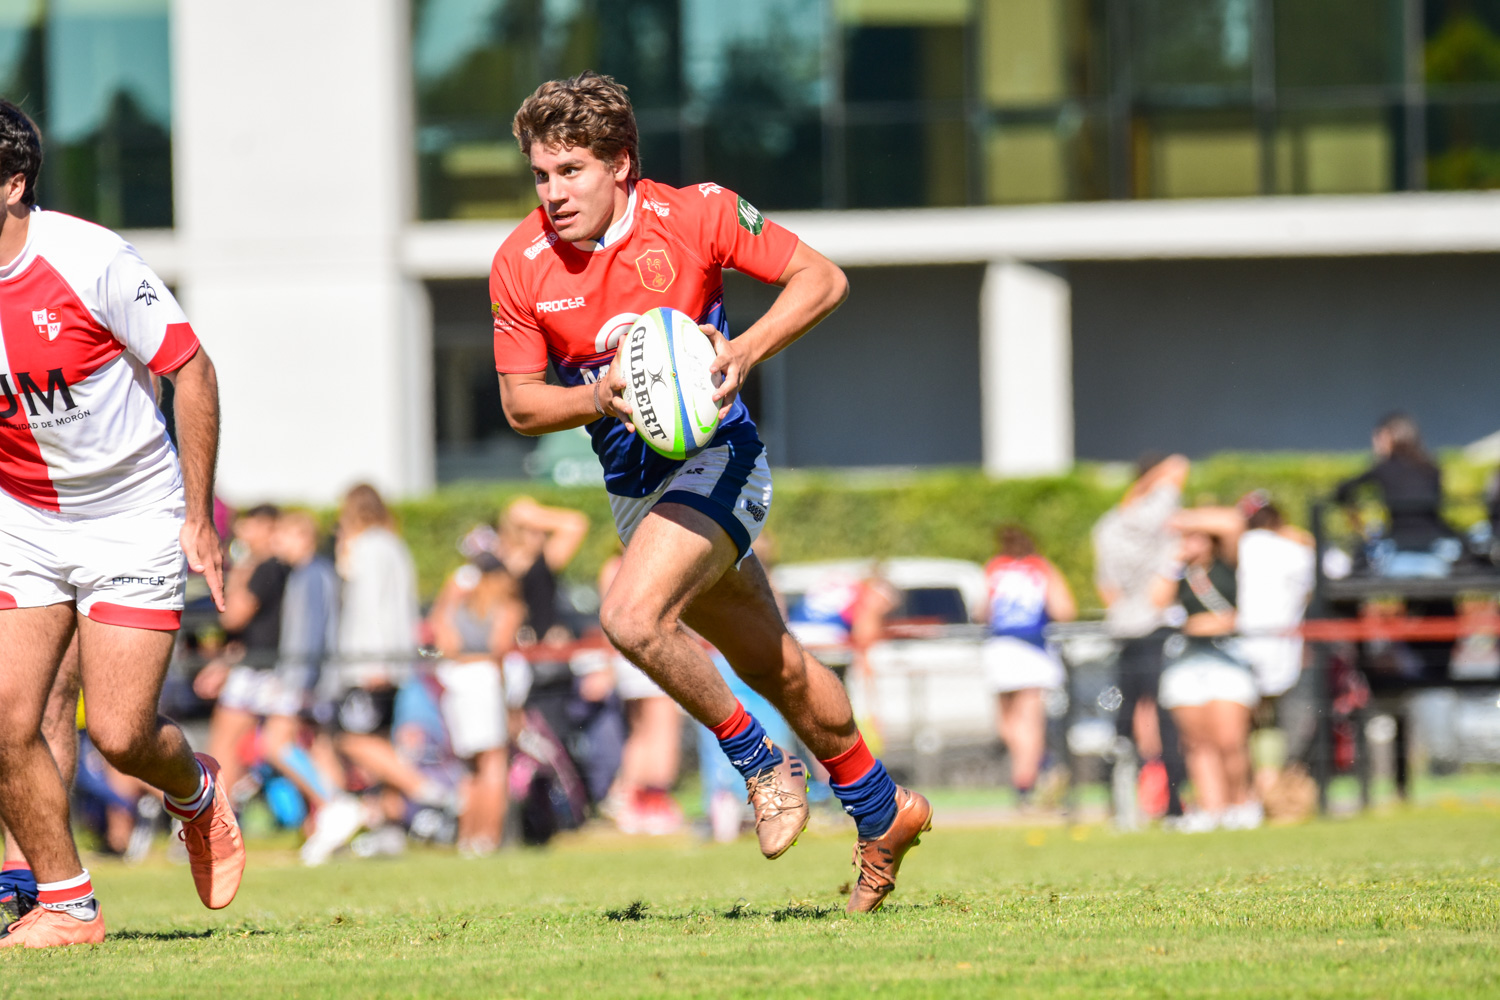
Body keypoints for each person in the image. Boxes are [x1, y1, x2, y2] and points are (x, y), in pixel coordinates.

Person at [490, 72, 928, 912]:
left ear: (620, 162)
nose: (553, 193)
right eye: (541, 175)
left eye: (571, 171)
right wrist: (598, 397)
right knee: (776, 664)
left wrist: (746, 348)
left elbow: (822, 280)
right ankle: (884, 809)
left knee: (630, 617)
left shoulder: (698, 214)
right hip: (637, 492)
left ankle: (761, 763)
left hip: (721, 458)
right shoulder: (520, 262)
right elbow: (520, 404)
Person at [0, 100, 243, 948]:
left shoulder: (91, 259)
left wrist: (198, 517)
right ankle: (64, 902)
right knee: (7, 716)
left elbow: (192, 370)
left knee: (119, 733)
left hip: (132, 512)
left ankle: (194, 791)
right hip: (24, 519)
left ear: (13, 184)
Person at [1092, 453, 1190, 819]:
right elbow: (1177, 468)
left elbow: (1107, 588)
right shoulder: (1162, 510)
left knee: (1128, 718)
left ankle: (1125, 804)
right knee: (1166, 719)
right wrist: (1165, 474)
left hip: (1124, 628)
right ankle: (1173, 804)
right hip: (1157, 626)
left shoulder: (1108, 524)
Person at [1159, 508, 1260, 832]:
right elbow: (1156, 603)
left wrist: (1183, 518)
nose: (1188, 543)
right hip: (1187, 659)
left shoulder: (1227, 565)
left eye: (1196, 537)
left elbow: (1233, 523)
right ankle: (1211, 808)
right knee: (1197, 743)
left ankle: (1241, 804)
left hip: (1226, 657)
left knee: (1230, 739)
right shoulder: (1178, 573)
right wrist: (1173, 562)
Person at [425, 552, 525, 855]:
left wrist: (449, 595)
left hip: (457, 685)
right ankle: (488, 837)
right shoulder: (507, 607)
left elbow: (445, 644)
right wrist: (512, 705)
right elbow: (499, 650)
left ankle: (467, 838)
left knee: (469, 768)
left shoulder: (456, 609)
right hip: (485, 684)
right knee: (494, 764)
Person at [978, 525, 1077, 805]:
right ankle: (1038, 769)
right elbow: (1065, 610)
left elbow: (983, 611)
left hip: (1002, 649)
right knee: (1028, 724)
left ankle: (1026, 782)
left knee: (1009, 724)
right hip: (1033, 650)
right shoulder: (1042, 568)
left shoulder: (994, 568)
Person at [203, 503, 291, 801]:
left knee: (224, 746)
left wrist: (239, 572)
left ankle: (218, 812)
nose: (241, 533)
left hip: (258, 668)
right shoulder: (280, 567)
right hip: (264, 666)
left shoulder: (266, 567)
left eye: (248, 526)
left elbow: (233, 616)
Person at [598, 552, 685, 836]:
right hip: (655, 649)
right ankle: (654, 801)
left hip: (626, 654)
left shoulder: (612, 566)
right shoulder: (660, 559)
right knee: (663, 729)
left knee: (640, 731)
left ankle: (628, 798)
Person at [1335, 412, 1455, 576]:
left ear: (1390, 437)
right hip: (1436, 544)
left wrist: (1355, 513)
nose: (1375, 443)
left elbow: (1342, 490)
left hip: (1398, 547)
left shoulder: (1384, 469)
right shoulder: (1431, 468)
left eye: (1378, 437)